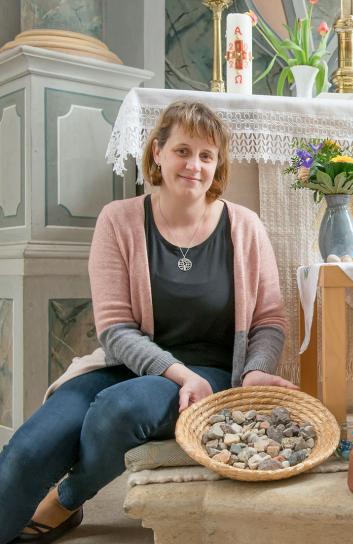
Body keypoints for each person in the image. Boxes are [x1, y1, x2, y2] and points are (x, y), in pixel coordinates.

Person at [0, 101, 297, 543]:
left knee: (119, 410)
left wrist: (254, 371)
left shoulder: (245, 227)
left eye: (206, 156)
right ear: (157, 152)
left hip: (210, 374)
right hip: (128, 364)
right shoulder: (118, 220)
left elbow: (269, 319)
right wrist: (174, 373)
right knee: (25, 453)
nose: (194, 165)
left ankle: (66, 499)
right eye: (182, 150)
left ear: (218, 166)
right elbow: (116, 329)